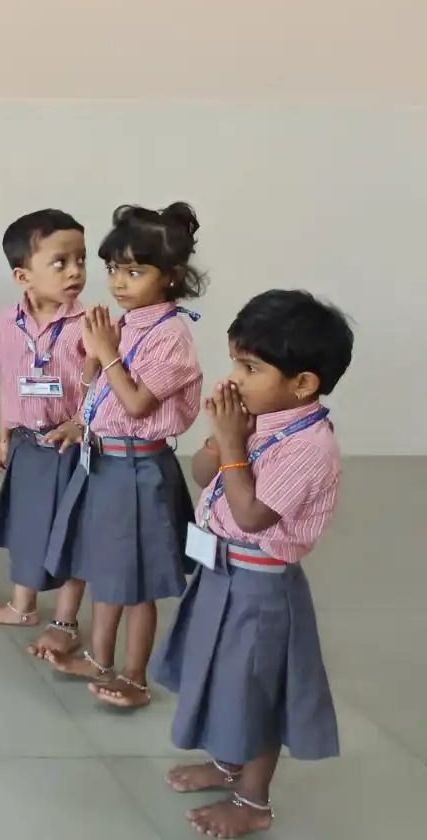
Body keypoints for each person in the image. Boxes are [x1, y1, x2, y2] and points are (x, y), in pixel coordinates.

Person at [151, 290, 350, 838]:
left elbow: (253, 515)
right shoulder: (259, 417)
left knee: (256, 692)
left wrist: (234, 446)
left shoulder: (308, 447)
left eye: (251, 368)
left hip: (260, 588)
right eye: (236, 363)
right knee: (225, 679)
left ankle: (252, 800)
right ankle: (225, 764)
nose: (235, 379)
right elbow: (202, 475)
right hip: (222, 573)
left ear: (303, 383)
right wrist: (222, 442)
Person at [41, 203, 204, 710]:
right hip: (104, 461)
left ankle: (134, 677)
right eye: (113, 268)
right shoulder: (125, 322)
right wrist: (91, 373)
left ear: (171, 276)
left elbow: (135, 403)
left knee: (135, 583)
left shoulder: (171, 337)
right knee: (105, 566)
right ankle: (99, 658)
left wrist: (107, 353)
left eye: (135, 271)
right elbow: (100, 390)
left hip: (138, 468)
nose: (118, 282)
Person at [0, 211, 90, 646]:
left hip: (72, 448)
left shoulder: (91, 325)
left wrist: (79, 424)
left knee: (72, 533)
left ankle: (65, 623)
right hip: (26, 444)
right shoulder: (6, 324)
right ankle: (22, 607)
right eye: (60, 262)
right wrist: (2, 437)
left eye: (80, 260)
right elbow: (8, 382)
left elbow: (103, 389)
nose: (75, 271)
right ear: (23, 276)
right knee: (25, 528)